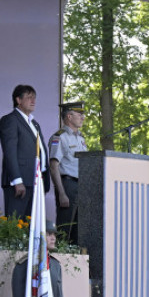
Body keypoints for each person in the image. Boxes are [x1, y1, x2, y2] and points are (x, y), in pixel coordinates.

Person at [0, 84, 50, 220]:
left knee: (31, 227)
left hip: (36, 182)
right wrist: (17, 180)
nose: (33, 101)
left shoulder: (34, 123)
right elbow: (10, 152)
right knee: (16, 226)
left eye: (34, 98)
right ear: (18, 100)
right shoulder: (10, 120)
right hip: (20, 183)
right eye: (29, 97)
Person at [49, 102, 87, 245]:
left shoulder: (81, 138)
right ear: (69, 116)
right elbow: (54, 166)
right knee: (65, 228)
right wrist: (61, 193)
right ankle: (60, 262)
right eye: (79, 114)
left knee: (79, 230)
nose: (83, 117)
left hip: (81, 186)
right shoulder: (59, 137)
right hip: (68, 185)